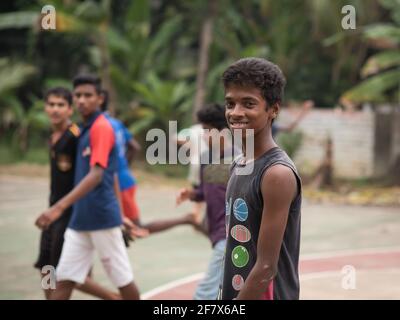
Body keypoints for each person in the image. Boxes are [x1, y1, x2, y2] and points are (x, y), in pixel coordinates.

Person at [35, 75, 140, 300]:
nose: (82, 100)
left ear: (100, 99)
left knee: (122, 280)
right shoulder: (82, 130)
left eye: (88, 95)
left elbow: (99, 174)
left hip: (99, 217)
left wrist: (58, 208)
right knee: (59, 276)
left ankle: (114, 297)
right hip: (79, 219)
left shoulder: (98, 128)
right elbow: (106, 173)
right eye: (78, 95)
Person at [221, 58, 302, 300]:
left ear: (273, 110)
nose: (236, 113)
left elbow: (266, 267)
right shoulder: (240, 163)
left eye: (248, 104)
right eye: (230, 103)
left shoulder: (276, 174)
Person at [100, 90, 195, 236]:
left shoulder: (100, 126)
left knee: (137, 228)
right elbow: (134, 147)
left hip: (119, 182)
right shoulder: (115, 123)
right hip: (123, 177)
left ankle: (186, 219)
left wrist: (119, 168)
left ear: (99, 99)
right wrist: (124, 166)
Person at [176, 103, 239, 300]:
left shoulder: (240, 159)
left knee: (205, 294)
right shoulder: (205, 158)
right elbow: (204, 192)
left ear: (223, 131)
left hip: (231, 235)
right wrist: (191, 194)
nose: (203, 136)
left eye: (206, 130)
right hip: (216, 230)